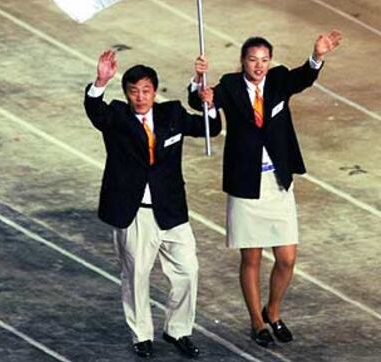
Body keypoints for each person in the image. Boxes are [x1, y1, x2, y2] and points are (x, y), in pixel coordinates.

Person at [189, 30, 342, 348]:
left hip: (277, 182)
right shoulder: (231, 87)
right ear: (242, 61)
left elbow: (304, 77)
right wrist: (199, 86)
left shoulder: (278, 80)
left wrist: (317, 55)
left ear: (269, 61)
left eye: (264, 60)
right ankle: (257, 322)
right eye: (252, 60)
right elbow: (202, 102)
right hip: (247, 185)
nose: (258, 66)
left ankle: (273, 310)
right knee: (252, 258)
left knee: (286, 258)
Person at [84, 50, 221, 359]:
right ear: (126, 93)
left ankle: (178, 330)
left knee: (188, 270)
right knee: (136, 278)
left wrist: (209, 104)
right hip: (135, 214)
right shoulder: (117, 117)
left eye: (146, 90)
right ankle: (141, 335)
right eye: (134, 91)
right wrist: (101, 81)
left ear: (155, 91)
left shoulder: (172, 114)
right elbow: (94, 110)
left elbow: (208, 129)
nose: (140, 97)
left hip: (171, 210)